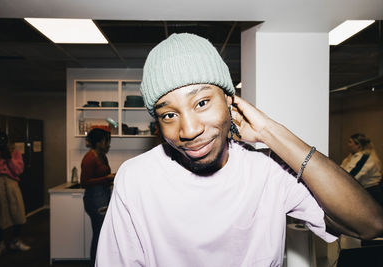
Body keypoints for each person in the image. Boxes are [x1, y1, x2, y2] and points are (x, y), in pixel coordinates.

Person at [96, 33, 383, 266]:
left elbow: (369, 225)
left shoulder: (268, 170)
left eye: (202, 103)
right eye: (169, 114)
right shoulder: (136, 177)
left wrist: (271, 132)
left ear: (230, 102)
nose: (189, 130)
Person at [0, 131, 30, 260]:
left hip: (11, 185)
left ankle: (16, 240)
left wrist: (8, 159)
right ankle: (0, 244)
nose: (1, 142)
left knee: (17, 212)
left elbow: (18, 170)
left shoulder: (14, 153)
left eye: (4, 139)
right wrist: (1, 164)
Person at [81, 128, 115, 266]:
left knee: (103, 233)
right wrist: (107, 177)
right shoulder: (89, 158)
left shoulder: (101, 156)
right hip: (95, 199)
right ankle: (95, 262)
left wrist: (110, 177)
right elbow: (84, 182)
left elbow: (103, 176)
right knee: (99, 234)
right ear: (100, 142)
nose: (108, 144)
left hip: (103, 195)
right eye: (107, 141)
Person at [341, 133, 383, 205]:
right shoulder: (352, 156)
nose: (348, 144)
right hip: (363, 190)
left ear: (358, 145)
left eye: (350, 142)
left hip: (371, 193)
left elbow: (351, 176)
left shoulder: (365, 157)